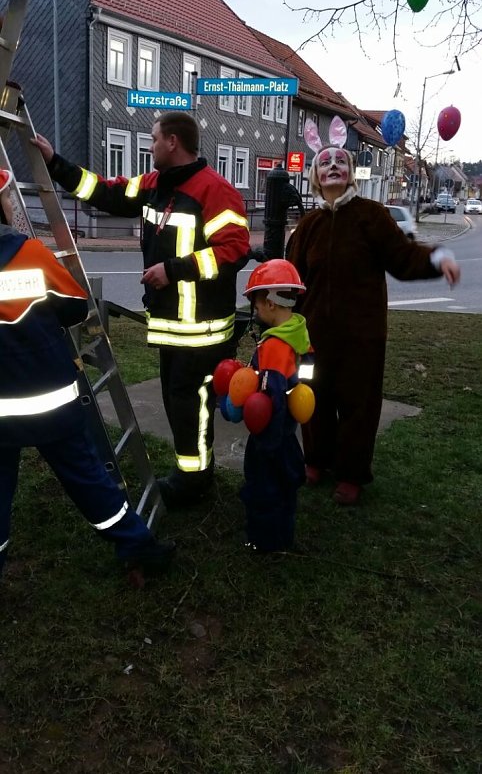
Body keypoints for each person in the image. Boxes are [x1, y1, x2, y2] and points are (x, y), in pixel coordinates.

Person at [32, 112, 250, 509]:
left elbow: (233, 250)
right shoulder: (155, 185)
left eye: (152, 140)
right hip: (174, 328)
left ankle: (194, 481)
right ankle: (196, 471)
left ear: (173, 142)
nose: (149, 147)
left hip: (202, 331)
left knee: (190, 406)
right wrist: (54, 162)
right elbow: (106, 193)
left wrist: (173, 270)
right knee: (179, 404)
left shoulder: (215, 191)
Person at [0, 169, 175, 580]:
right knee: (88, 479)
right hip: (49, 403)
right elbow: (76, 308)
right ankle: (137, 546)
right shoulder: (28, 254)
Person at [286, 145, 460, 506]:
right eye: (325, 162)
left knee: (358, 404)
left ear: (351, 172)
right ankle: (316, 459)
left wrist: (436, 258)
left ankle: (351, 473)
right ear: (315, 176)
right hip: (314, 335)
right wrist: (281, 315)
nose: (333, 166)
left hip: (361, 335)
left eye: (341, 161)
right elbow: (293, 279)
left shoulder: (371, 215)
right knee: (312, 397)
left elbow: (403, 256)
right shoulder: (307, 225)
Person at [240, 259, 311, 552]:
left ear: (270, 302)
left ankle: (264, 542)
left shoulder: (273, 347)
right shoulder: (299, 334)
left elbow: (269, 400)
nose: (255, 309)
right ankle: (284, 536)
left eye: (255, 302)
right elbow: (304, 378)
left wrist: (264, 441)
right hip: (289, 429)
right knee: (285, 485)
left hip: (270, 435)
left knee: (264, 486)